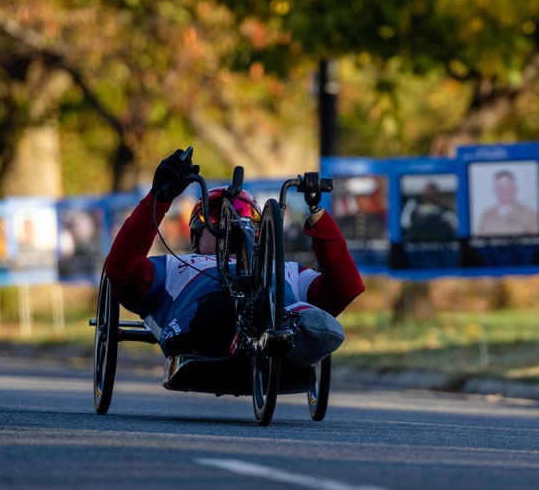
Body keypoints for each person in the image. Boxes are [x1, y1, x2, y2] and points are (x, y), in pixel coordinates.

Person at [104, 148, 364, 387]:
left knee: (315, 320)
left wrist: (317, 213)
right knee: (223, 306)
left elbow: (345, 288)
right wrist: (158, 199)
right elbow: (119, 271)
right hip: (200, 320)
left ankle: (280, 328)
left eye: (246, 216)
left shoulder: (288, 270)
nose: (233, 224)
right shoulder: (172, 265)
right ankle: (246, 329)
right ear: (195, 235)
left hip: (272, 313)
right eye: (216, 216)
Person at [476, 168, 539, 236]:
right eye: (500, 187)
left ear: (514, 189)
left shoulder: (530, 215)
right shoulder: (486, 216)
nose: (503, 191)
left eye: (506, 187)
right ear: (495, 190)